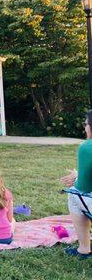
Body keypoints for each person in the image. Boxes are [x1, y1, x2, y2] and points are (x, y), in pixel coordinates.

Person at [60, 110, 92, 258]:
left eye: (86, 124)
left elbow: (83, 186)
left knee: (73, 193)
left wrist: (76, 178)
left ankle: (84, 248)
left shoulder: (86, 147)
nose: (85, 128)